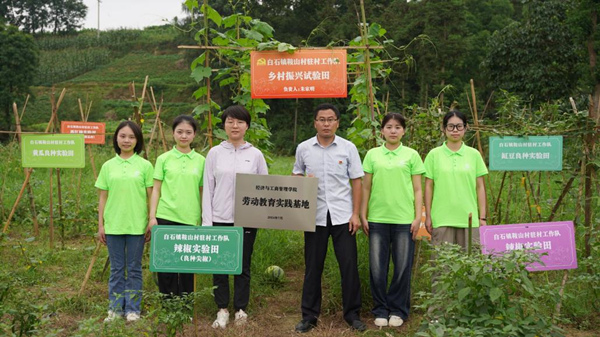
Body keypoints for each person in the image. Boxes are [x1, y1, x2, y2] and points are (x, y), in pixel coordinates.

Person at [292, 103, 367, 333]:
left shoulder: (348, 148)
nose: (326, 123)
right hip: (313, 216)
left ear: (337, 122)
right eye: (322, 119)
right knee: (313, 266)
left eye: (331, 119)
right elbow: (296, 175)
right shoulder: (304, 148)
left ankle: (352, 314)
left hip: (343, 217)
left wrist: (355, 214)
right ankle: (309, 315)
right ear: (315, 122)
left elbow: (356, 181)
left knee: (348, 266)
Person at [202, 105, 268, 329]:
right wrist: (207, 222)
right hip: (220, 217)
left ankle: (241, 308)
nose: (235, 125)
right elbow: (208, 189)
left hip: (246, 219)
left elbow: (264, 188)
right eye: (230, 121)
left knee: (242, 265)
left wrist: (261, 218)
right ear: (224, 125)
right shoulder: (214, 153)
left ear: (247, 125)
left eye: (239, 122)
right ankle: (222, 309)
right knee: (220, 265)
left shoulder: (255, 154)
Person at [360, 113, 425, 328]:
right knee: (377, 267)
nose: (393, 131)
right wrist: (363, 214)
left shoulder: (412, 155)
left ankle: (398, 310)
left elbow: (418, 189)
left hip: (404, 220)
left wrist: (418, 218)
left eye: (398, 127)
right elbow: (366, 187)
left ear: (404, 131)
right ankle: (380, 309)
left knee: (402, 267)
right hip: (377, 218)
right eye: (389, 127)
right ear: (382, 131)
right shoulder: (372, 154)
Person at [96, 121, 154, 322]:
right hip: (113, 225)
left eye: (131, 137)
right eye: (122, 136)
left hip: (137, 226)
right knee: (117, 269)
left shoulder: (145, 165)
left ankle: (132, 309)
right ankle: (114, 309)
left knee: (135, 268)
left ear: (137, 140)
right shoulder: (108, 166)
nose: (126, 140)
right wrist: (101, 225)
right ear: (116, 139)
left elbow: (150, 196)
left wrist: (150, 219)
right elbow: (103, 197)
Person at [147, 115, 205, 298]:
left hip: (191, 218)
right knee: (166, 265)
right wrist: (152, 216)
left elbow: (203, 191)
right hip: (166, 216)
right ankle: (168, 303)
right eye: (180, 132)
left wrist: (204, 217)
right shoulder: (164, 159)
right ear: (173, 133)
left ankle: (186, 304)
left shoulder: (201, 161)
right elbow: (156, 189)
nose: (184, 136)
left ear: (194, 135)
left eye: (188, 132)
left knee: (188, 265)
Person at [424, 110, 488, 247]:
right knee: (442, 266)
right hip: (441, 219)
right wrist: (428, 216)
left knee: (470, 264)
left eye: (459, 126)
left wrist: (482, 217)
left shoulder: (474, 154)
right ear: (443, 128)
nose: (455, 130)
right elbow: (428, 187)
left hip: (469, 219)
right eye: (450, 126)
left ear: (465, 128)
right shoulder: (433, 155)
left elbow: (480, 187)